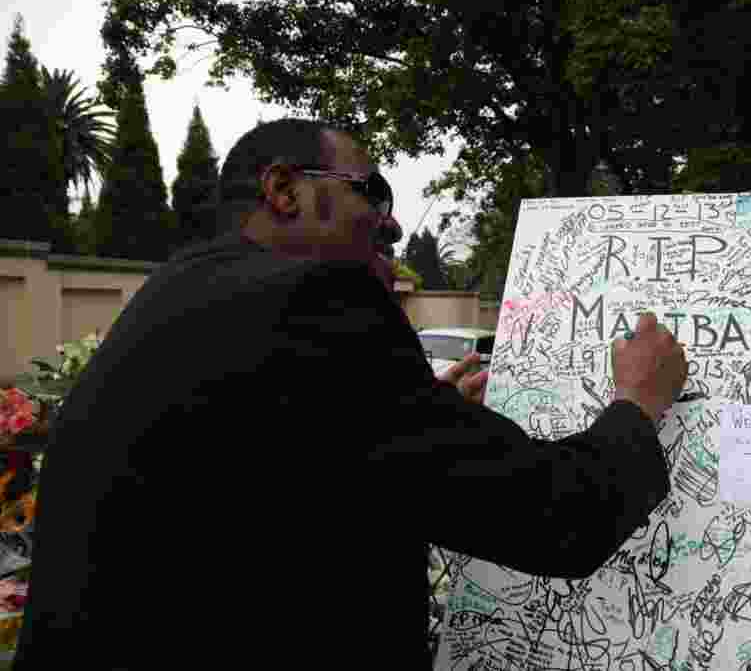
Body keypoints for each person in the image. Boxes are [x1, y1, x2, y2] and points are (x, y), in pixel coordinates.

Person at [13, 118, 686, 669]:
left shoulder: (172, 294)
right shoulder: (316, 301)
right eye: (372, 192)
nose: (391, 225)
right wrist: (637, 402)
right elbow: (551, 515)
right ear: (284, 189)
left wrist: (422, 413)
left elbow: (286, 480)